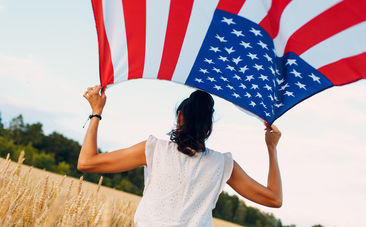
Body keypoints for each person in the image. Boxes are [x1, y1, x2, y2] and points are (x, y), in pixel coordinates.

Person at [78, 85, 282, 227]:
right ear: (209, 126)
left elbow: (87, 162)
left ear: (180, 116)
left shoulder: (153, 150)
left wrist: (96, 111)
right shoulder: (222, 165)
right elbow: (274, 199)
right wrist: (271, 148)